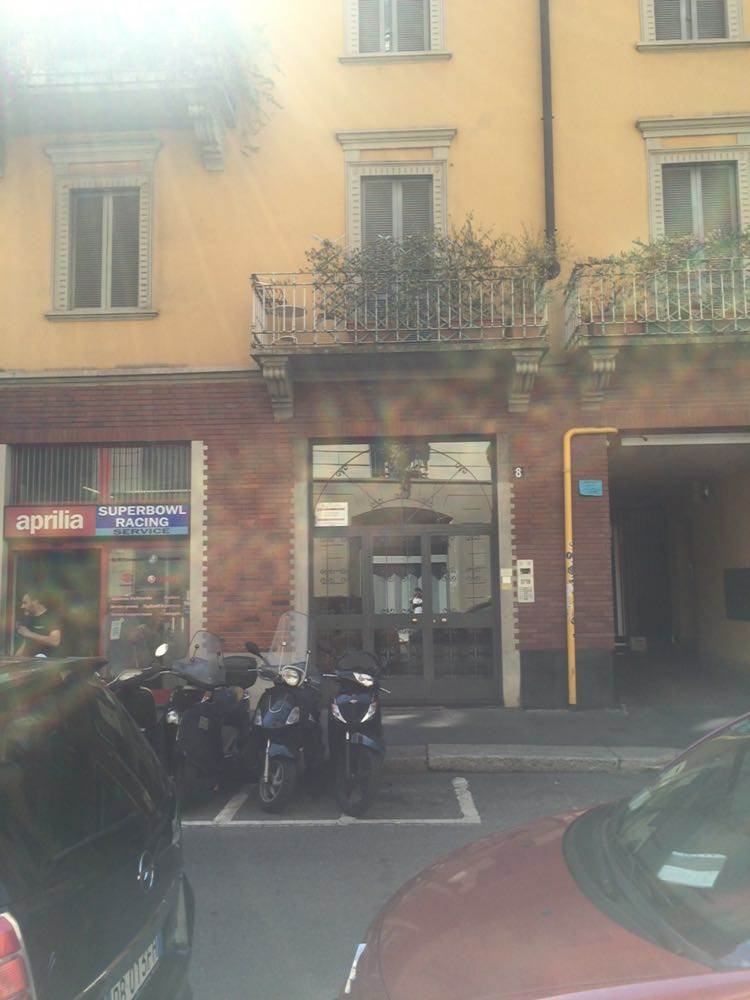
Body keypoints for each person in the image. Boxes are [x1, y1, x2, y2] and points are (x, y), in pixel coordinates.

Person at [15, 589, 62, 658]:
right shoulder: (29, 619)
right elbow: (26, 643)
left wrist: (29, 634)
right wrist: (16, 659)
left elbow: (55, 641)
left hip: (50, 662)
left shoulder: (51, 617)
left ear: (35, 601)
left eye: (25, 603)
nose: (22, 606)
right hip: (31, 661)